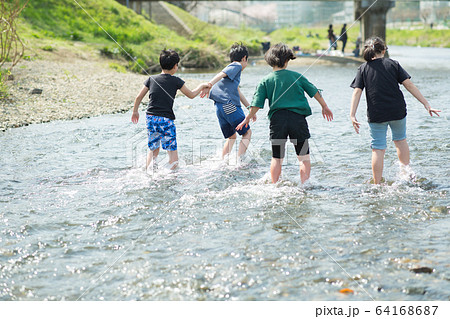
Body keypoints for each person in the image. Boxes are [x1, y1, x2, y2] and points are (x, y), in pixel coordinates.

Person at [236, 43, 333, 184]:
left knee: (277, 158)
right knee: (304, 157)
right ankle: (305, 186)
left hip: (277, 121)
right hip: (298, 120)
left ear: (270, 61)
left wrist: (247, 119)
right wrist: (324, 106)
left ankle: (275, 186)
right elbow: (314, 91)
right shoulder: (297, 76)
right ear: (287, 60)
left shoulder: (266, 80)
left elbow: (256, 104)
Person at [350, 37, 441, 184]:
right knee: (400, 140)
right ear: (384, 50)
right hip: (397, 111)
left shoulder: (363, 68)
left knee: (378, 148)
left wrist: (352, 114)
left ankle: (377, 184)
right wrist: (426, 104)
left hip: (376, 113)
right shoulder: (393, 64)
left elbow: (357, 92)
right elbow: (409, 85)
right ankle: (405, 175)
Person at [131, 49, 210, 170]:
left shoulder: (151, 79)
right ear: (175, 66)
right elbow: (191, 95)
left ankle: (148, 172)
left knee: (153, 149)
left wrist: (135, 111)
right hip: (166, 120)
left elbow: (138, 97)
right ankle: (172, 176)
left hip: (150, 118)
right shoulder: (176, 81)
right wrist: (201, 85)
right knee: (172, 151)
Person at [201, 42, 255, 160]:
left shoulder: (232, 76)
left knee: (232, 137)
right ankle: (239, 160)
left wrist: (249, 108)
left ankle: (223, 160)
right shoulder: (237, 65)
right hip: (229, 105)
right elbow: (222, 74)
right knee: (247, 133)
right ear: (244, 58)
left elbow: (238, 92)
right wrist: (209, 84)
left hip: (219, 108)